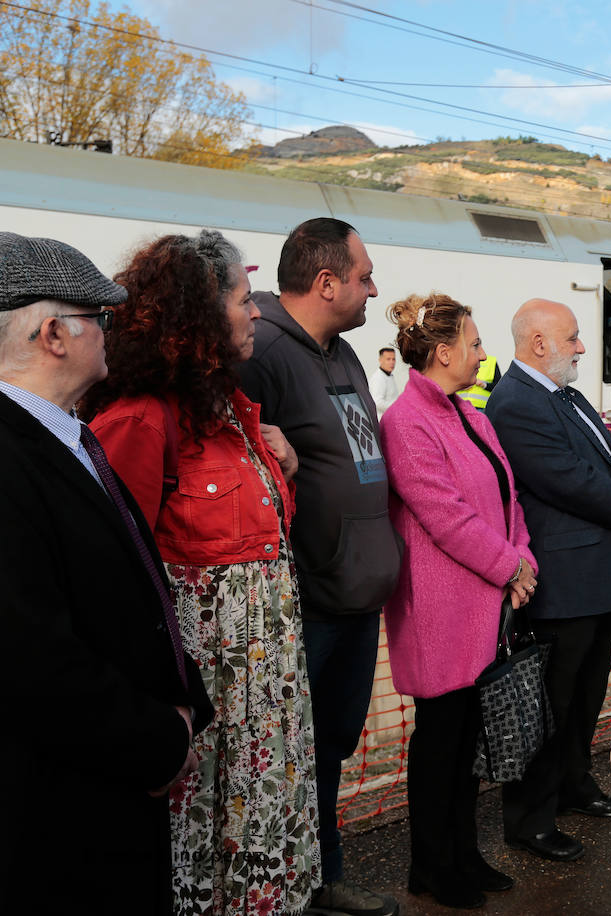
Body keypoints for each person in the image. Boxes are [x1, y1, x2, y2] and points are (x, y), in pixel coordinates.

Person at [85, 231, 320, 915]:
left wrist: (289, 469)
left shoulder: (231, 410)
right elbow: (114, 574)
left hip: (265, 690)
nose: (256, 313)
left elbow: (264, 533)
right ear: (200, 314)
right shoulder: (140, 420)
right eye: (244, 301)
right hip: (211, 690)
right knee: (203, 844)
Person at [0, 232, 213, 915]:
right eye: (101, 319)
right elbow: (32, 656)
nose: (112, 333)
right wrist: (156, 742)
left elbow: (133, 592)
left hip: (106, 779)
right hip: (63, 809)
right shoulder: (12, 459)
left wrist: (183, 705)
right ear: (54, 333)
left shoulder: (67, 435)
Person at [238, 218, 403, 916]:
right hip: (305, 600)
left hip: (357, 594)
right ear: (327, 282)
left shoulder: (343, 353)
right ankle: (287, 885)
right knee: (286, 757)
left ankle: (320, 876)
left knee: (331, 747)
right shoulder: (265, 352)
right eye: (364, 276)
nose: (374, 288)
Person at [485, 298, 611, 864]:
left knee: (584, 698)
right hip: (564, 582)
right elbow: (568, 479)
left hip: (599, 574)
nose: (583, 348)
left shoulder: (567, 394)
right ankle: (531, 819)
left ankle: (575, 786)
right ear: (539, 344)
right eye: (575, 338)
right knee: (549, 704)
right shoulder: (514, 403)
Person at [380, 293, 536, 908]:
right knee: (441, 740)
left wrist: (521, 558)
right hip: (439, 610)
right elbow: (445, 516)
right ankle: (432, 865)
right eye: (474, 343)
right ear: (443, 353)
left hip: (484, 597)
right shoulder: (408, 423)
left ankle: (464, 854)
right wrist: (510, 567)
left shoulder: (471, 414)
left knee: (468, 737)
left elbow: (506, 496)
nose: (482, 353)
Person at [369, 346, 400, 415]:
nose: (392, 362)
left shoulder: (389, 376)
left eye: (393, 359)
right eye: (388, 359)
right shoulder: (378, 378)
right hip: (382, 420)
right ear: (380, 360)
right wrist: (398, 407)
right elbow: (377, 402)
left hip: (392, 417)